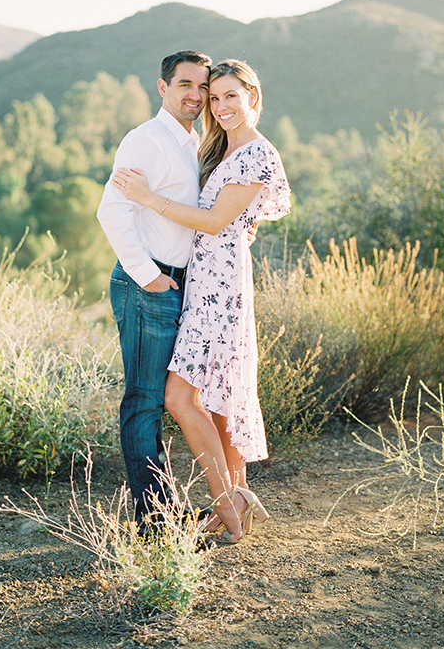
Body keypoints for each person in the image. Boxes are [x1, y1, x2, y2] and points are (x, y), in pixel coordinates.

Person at [113, 59, 291, 544]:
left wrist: (148, 197)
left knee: (179, 397)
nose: (220, 105)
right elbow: (229, 214)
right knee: (216, 396)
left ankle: (228, 502)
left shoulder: (256, 152)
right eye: (215, 97)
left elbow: (214, 222)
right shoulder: (218, 146)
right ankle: (236, 498)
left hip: (219, 289)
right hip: (204, 283)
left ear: (253, 96)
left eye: (231, 95)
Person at [97, 50, 212, 526]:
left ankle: (163, 509)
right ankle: (154, 521)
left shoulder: (193, 140)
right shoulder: (146, 140)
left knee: (166, 400)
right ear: (163, 88)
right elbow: (111, 210)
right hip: (148, 284)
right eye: (186, 84)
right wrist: (148, 277)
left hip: (177, 284)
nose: (196, 95)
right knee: (144, 401)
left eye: (203, 86)